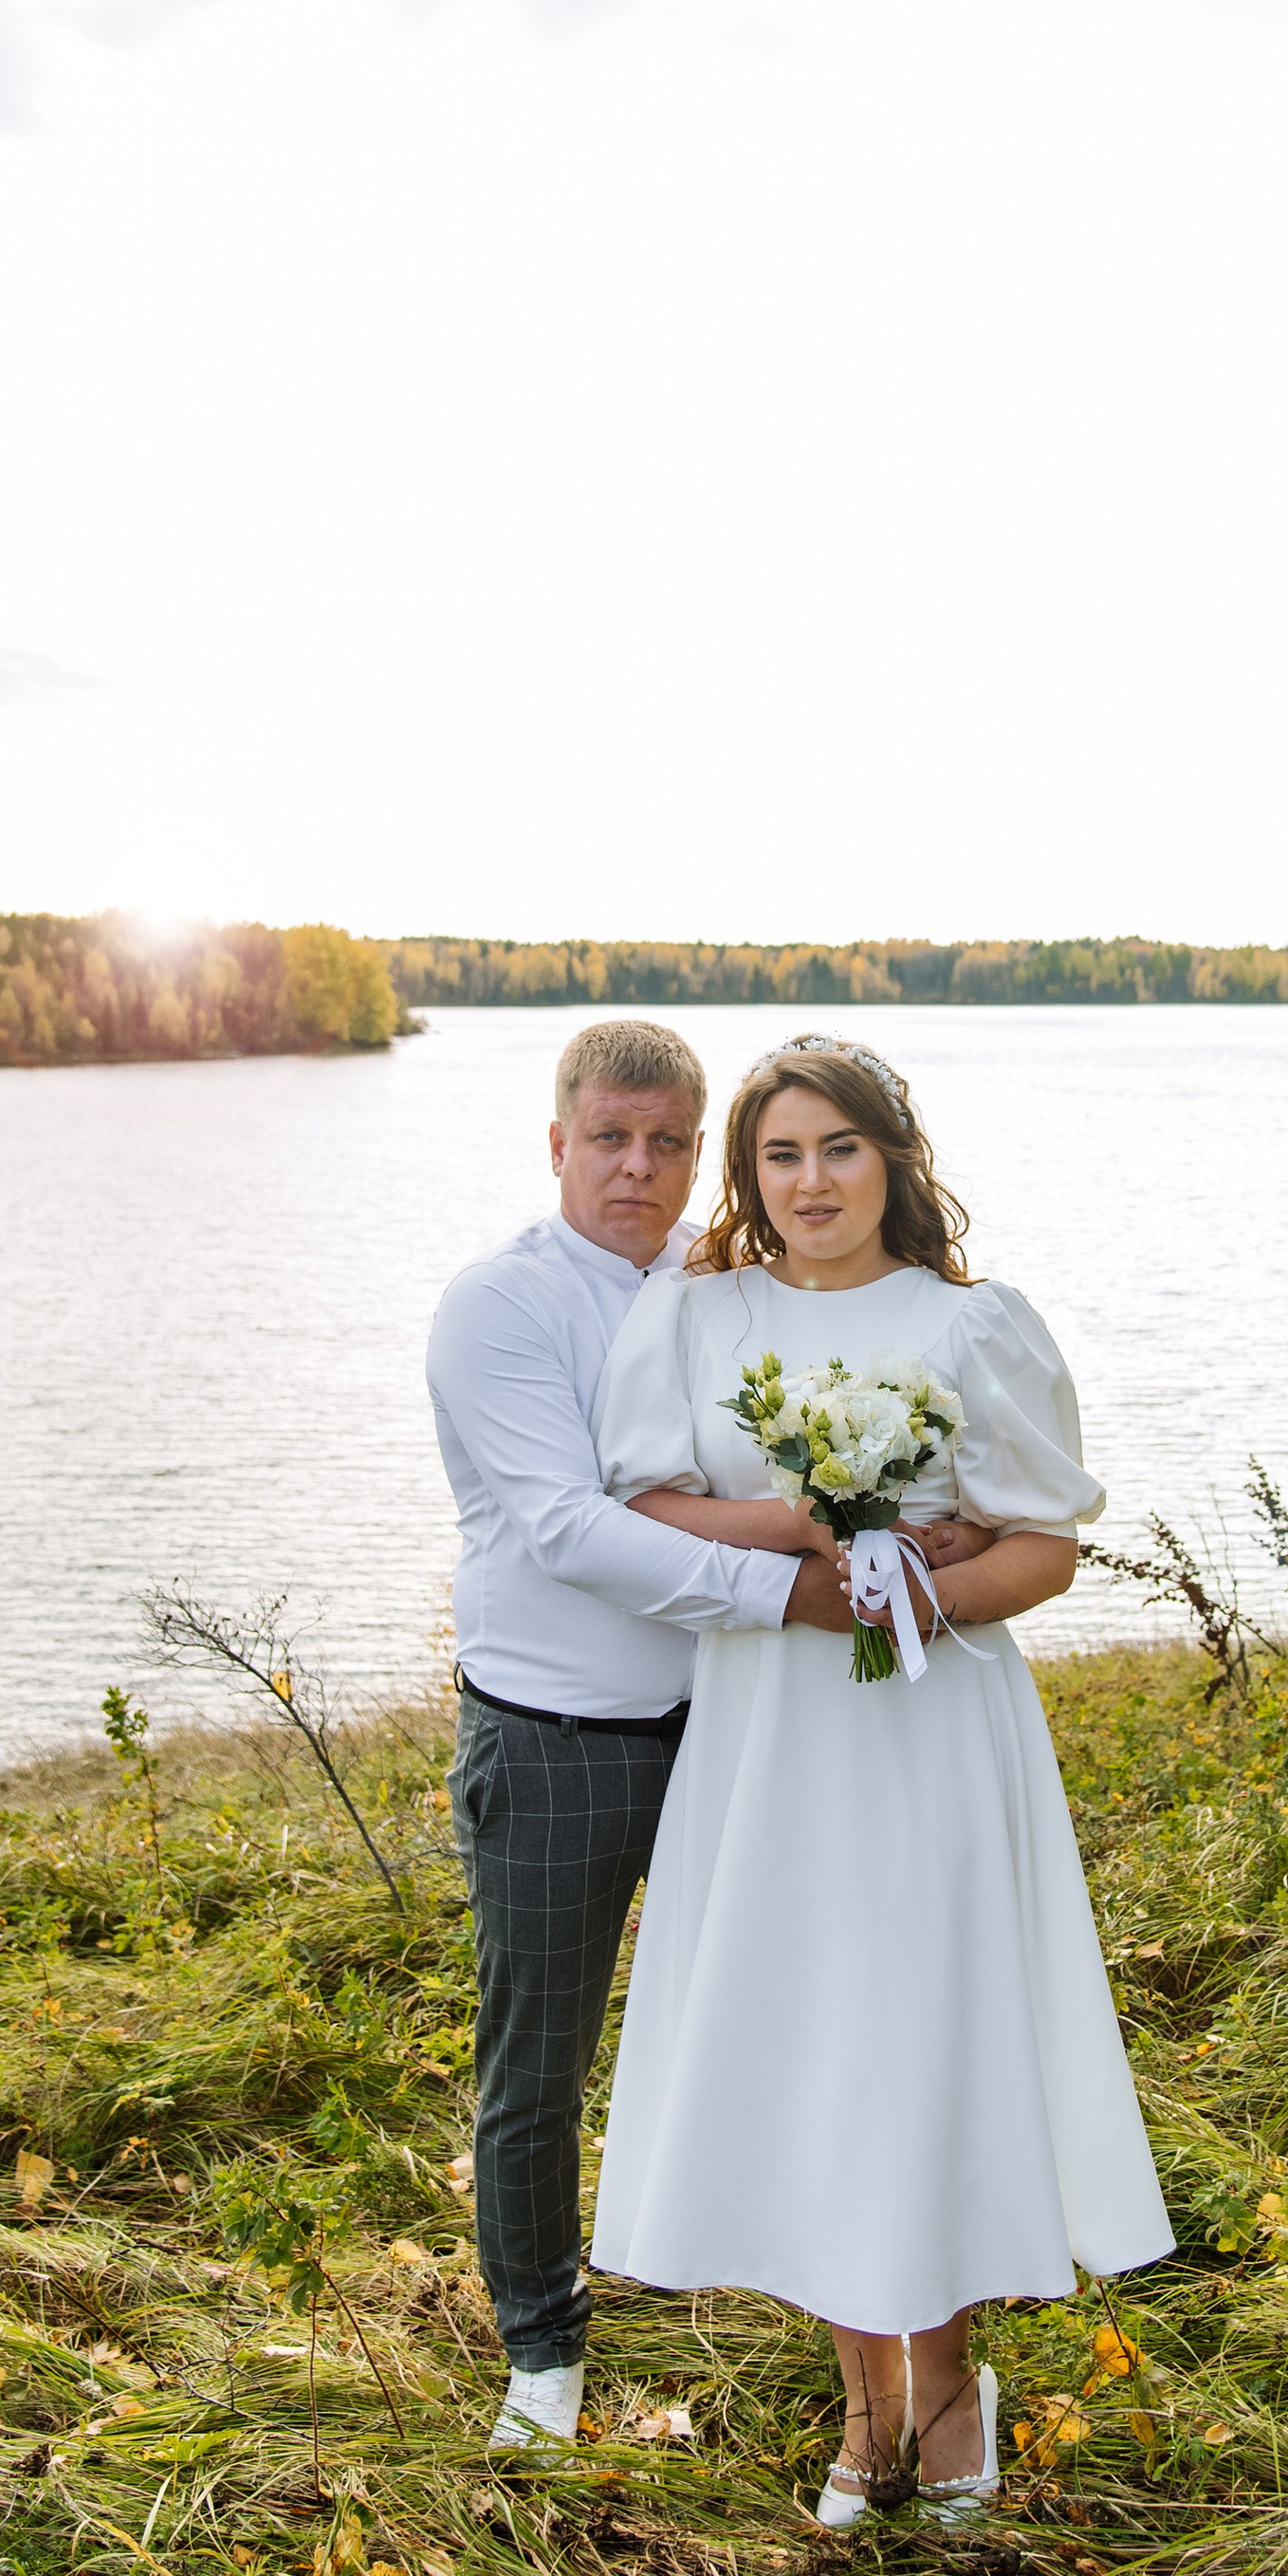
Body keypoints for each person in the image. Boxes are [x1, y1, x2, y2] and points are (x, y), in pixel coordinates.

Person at [589, 1032, 1174, 2524]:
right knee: (812, 2051)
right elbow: (649, 1499)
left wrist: (917, 1592)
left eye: (838, 1149)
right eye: (780, 1156)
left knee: (923, 2045)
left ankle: (955, 2404)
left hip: (930, 1735)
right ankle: (866, 2419)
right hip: (773, 1735)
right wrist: (802, 1537)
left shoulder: (972, 1328)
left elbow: (1043, 1543)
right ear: (751, 1174)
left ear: (891, 1161)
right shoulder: (697, 1316)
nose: (809, 1183)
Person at [425, 1017, 868, 2451]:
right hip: (555, 1740)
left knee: (778, 2026)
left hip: (735, 1731)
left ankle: (812, 2312)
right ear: (557, 1142)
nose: (638, 1167)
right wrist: (797, 1588)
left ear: (701, 1154)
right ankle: (543, 2362)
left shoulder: (731, 1289)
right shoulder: (498, 1308)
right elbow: (567, 1530)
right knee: (537, 2066)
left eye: (669, 1142)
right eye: (609, 1138)